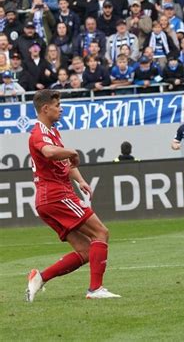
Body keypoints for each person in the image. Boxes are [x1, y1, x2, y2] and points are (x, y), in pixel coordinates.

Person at [26, 90, 120, 302]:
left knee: (86, 250)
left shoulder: (53, 132)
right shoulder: (38, 133)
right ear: (45, 109)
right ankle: (95, 289)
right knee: (101, 233)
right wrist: (72, 152)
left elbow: (64, 164)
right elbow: (50, 153)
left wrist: (81, 181)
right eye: (57, 105)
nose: (61, 108)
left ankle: (39, 278)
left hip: (48, 199)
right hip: (56, 195)